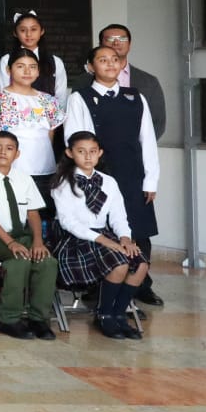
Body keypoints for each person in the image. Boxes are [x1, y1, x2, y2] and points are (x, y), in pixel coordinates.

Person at [64, 45, 163, 306]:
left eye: (115, 60)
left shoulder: (135, 97)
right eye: (102, 59)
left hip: (132, 176)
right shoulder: (80, 97)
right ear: (90, 66)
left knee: (139, 233)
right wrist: (83, 176)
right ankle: (101, 293)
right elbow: (75, 139)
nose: (110, 64)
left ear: (122, 65)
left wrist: (151, 179)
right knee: (104, 230)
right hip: (99, 175)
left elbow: (148, 140)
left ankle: (138, 288)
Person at [51, 131, 149, 339]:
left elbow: (119, 216)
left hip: (104, 236)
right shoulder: (62, 183)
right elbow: (69, 222)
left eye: (93, 152)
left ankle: (119, 314)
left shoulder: (109, 182)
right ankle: (104, 314)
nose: (88, 157)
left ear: (100, 153)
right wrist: (104, 241)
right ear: (69, 153)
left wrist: (124, 238)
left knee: (140, 263)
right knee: (119, 263)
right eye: (81, 151)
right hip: (74, 240)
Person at [0, 131, 59, 340]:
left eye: (9, 148)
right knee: (19, 260)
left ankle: (38, 319)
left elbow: (33, 212)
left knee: (47, 261)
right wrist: (10, 243)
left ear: (17, 154)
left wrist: (37, 242)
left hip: (21, 235)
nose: (2, 152)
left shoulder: (23, 178)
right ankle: (8, 319)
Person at [0, 49, 65, 207]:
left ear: (38, 71)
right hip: (9, 170)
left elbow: (50, 135)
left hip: (44, 171)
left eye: (32, 67)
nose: (27, 71)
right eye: (20, 66)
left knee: (41, 217)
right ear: (8, 69)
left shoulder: (48, 101)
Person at [98, 24, 165, 138]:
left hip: (134, 151)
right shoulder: (84, 80)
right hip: (95, 153)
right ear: (100, 45)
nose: (116, 43)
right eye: (110, 39)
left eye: (122, 39)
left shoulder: (149, 82)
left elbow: (157, 122)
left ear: (129, 45)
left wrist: (136, 148)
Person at [1, 12, 69, 103]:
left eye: (33, 29)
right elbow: (3, 92)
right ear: (15, 33)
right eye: (23, 30)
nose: (28, 34)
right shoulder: (7, 60)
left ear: (42, 31)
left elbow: (61, 97)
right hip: (16, 114)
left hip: (48, 114)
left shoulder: (55, 62)